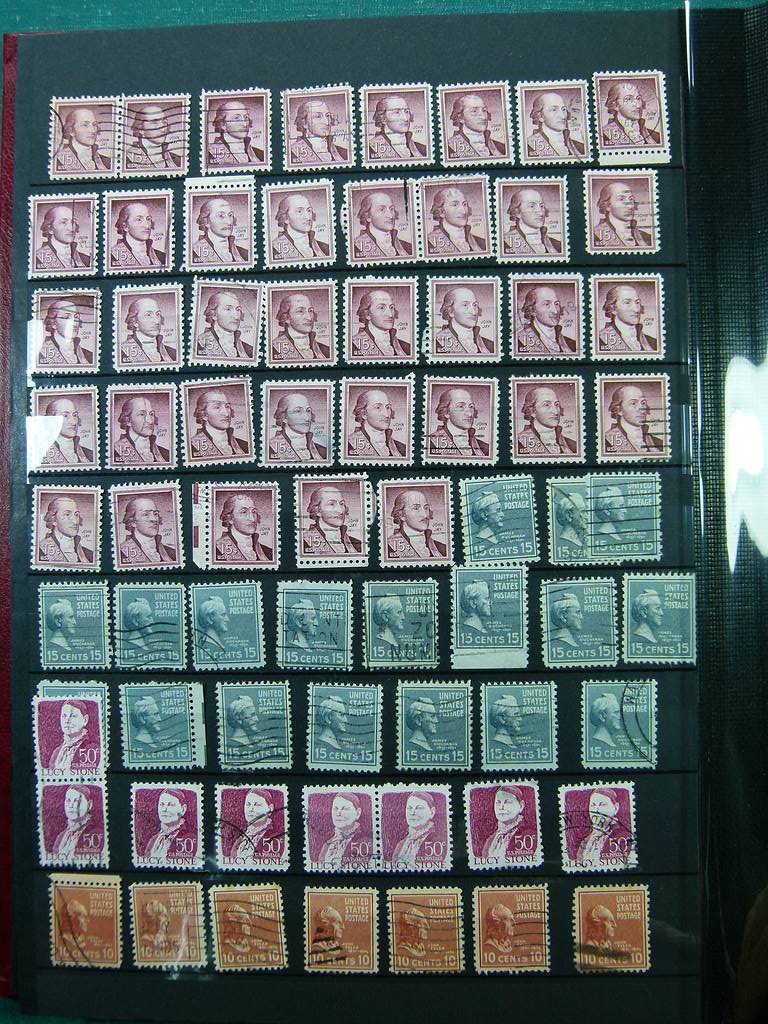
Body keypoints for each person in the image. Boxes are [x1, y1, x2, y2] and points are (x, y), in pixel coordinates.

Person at [427, 386, 489, 458]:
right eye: (460, 406)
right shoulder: (430, 444)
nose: (469, 414)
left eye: (471, 406)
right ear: (446, 412)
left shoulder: (485, 448)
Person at [603, 384, 664, 454]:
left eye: (643, 403)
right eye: (633, 403)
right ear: (619, 410)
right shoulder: (605, 442)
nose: (642, 409)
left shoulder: (659, 443)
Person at [190, 388, 250, 460]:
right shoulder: (191, 447)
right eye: (217, 407)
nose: (226, 413)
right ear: (204, 415)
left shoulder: (245, 445)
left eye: (227, 406)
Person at [350, 289, 411, 359]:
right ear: (367, 314)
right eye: (381, 307)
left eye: (391, 307)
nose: (390, 314)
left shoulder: (407, 348)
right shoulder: (352, 346)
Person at [515, 286, 577, 355]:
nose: (555, 311)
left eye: (556, 304)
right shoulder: (518, 343)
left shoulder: (572, 345)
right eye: (547, 304)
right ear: (532, 310)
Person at [434, 286, 495, 356]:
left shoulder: (491, 346)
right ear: (450, 311)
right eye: (465, 305)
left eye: (475, 305)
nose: (473, 312)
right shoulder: (435, 345)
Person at [517, 386, 577, 456]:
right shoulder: (518, 444)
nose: (555, 412)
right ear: (532, 411)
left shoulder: (573, 446)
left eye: (557, 404)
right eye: (546, 405)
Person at [592, 180, 652, 250]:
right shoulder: (594, 237)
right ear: (607, 206)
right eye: (621, 199)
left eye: (631, 199)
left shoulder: (647, 238)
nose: (630, 206)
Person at [387, 489, 447, 559]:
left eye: (426, 508)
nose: (425, 515)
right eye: (416, 508)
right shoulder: (388, 548)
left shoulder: (442, 548)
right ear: (401, 515)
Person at [348, 388, 406, 459]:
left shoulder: (402, 448)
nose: (386, 415)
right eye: (378, 407)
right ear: (364, 414)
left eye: (388, 407)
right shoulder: (348, 445)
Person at [426, 186, 486, 255]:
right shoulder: (428, 244)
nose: (463, 211)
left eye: (464, 204)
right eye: (454, 205)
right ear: (441, 212)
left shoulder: (482, 243)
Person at [353, 190, 413, 259]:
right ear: (368, 216)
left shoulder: (408, 247)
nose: (390, 216)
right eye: (382, 209)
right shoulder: (355, 248)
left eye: (391, 209)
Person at [446, 92, 507, 159]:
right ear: (460, 117)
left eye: (484, 110)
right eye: (474, 111)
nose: (483, 117)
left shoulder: (501, 147)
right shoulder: (448, 149)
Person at [215, 492, 273, 563]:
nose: (252, 519)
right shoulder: (216, 551)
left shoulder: (269, 552)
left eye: (254, 512)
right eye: (244, 512)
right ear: (230, 518)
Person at [601, 80, 661, 148]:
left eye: (638, 98)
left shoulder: (656, 137)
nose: (638, 105)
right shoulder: (603, 136)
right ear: (615, 105)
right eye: (628, 99)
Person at [194, 289, 252, 360]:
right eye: (228, 309)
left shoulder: (249, 350)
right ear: (214, 314)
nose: (236, 316)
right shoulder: (198, 346)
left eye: (238, 310)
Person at [598, 284, 657, 354]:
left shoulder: (653, 342)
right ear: (613, 308)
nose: (636, 309)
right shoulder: (599, 341)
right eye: (627, 302)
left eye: (637, 302)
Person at [119, 495, 177, 565]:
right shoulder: (120, 554)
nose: (154, 519)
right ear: (133, 522)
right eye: (146, 514)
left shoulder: (172, 553)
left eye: (155, 514)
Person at [272, 292, 330, 362]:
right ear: (286, 317)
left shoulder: (326, 351)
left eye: (310, 311)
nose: (309, 318)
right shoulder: (273, 350)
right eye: (300, 311)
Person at [302, 486, 361, 555]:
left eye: (341, 504)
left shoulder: (357, 544)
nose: (340, 511)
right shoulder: (304, 543)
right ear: (317, 511)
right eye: (331, 504)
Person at [269, 392, 327, 463]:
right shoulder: (270, 449)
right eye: (298, 411)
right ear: (284, 417)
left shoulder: (323, 451)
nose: (306, 418)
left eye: (308, 411)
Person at [271, 192, 330, 261]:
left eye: (309, 210)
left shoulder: (325, 248)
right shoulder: (273, 250)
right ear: (286, 218)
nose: (308, 217)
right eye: (299, 211)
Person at [503, 188, 561, 257]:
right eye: (532, 206)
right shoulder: (505, 244)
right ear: (517, 212)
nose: (540, 213)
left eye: (541, 206)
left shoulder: (557, 245)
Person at [526, 91, 585, 158]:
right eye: (554, 110)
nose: (562, 116)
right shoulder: (528, 148)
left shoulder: (580, 147)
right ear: (540, 116)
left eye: (564, 109)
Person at [112, 395, 169, 466]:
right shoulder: (114, 453)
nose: (150, 421)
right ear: (128, 421)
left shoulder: (166, 454)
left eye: (151, 414)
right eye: (142, 414)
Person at [368, 94, 427, 160]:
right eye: (397, 112)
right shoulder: (370, 150)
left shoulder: (422, 149)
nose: (405, 118)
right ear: (383, 119)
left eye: (406, 111)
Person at [290, 97, 348, 165]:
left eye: (328, 116)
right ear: (304, 123)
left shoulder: (344, 153)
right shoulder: (293, 154)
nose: (326, 122)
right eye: (318, 116)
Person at [120, 296, 177, 366]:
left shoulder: (173, 353)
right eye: (148, 315)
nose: (156, 321)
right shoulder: (121, 353)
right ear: (135, 321)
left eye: (158, 314)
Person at [124, 104, 182, 171]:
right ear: (141, 129)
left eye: (164, 122)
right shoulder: (126, 160)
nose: (163, 129)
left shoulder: (178, 160)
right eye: (154, 123)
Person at [192, 197, 249, 265]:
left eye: (230, 215)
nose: (229, 222)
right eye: (220, 216)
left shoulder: (245, 254)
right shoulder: (193, 254)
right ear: (206, 221)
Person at [37, 297, 93, 367]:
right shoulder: (39, 355)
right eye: (66, 317)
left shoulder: (89, 356)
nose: (74, 322)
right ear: (53, 323)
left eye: (76, 317)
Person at [34, 204, 91, 272]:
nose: (71, 228)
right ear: (50, 229)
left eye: (73, 222)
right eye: (63, 222)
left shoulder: (87, 260)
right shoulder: (36, 260)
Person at [38, 496, 93, 566]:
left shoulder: (90, 555)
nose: (75, 521)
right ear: (54, 520)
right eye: (67, 514)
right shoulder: (39, 552)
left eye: (76, 515)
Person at [109, 201, 166, 269]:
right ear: (125, 226)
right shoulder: (111, 257)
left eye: (148, 219)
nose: (147, 225)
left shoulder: (162, 257)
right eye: (138, 219)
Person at [228, 788, 278, 864]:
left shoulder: (276, 837)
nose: (251, 809)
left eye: (257, 805)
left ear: (270, 809)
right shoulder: (241, 838)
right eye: (248, 804)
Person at [54, 106, 112, 172]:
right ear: (71, 131)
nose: (93, 130)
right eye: (85, 125)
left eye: (94, 124)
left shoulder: (107, 162)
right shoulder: (57, 161)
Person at [207, 99, 264, 166]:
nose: (244, 124)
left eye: (246, 117)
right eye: (236, 118)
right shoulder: (209, 155)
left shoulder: (261, 154)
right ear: (223, 124)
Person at [574, 788, 622, 867]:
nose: (596, 810)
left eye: (602, 805)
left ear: (616, 808)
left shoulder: (622, 835)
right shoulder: (585, 841)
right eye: (593, 805)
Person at [39, 397, 93, 466]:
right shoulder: (40, 454)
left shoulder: (90, 454)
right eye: (65, 415)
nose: (73, 422)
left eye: (75, 415)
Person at [142, 788, 190, 865]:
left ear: (183, 809)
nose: (164, 809)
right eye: (161, 804)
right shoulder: (153, 840)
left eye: (170, 805)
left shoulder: (190, 835)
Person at [317, 792, 365, 868]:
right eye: (335, 809)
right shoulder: (327, 845)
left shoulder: (365, 841)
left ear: (358, 813)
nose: (338, 813)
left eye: (345, 809)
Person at [391, 790, 437, 868]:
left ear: (432, 812)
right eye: (409, 808)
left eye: (419, 808)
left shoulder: (438, 840)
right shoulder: (401, 845)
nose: (412, 813)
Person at [52, 784, 99, 861]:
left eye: (77, 801)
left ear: (90, 805)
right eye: (68, 800)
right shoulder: (60, 837)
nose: (71, 805)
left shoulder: (96, 832)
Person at [481, 785, 526, 860]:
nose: (501, 807)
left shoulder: (528, 834)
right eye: (498, 802)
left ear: (521, 806)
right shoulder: (490, 840)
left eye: (507, 802)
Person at [48, 700, 91, 772]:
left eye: (73, 716)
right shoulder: (56, 752)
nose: (67, 720)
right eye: (64, 716)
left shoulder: (92, 748)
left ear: (85, 720)